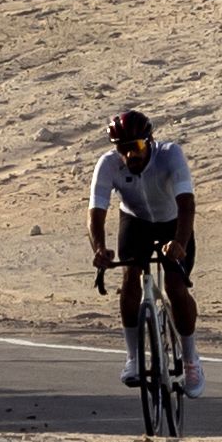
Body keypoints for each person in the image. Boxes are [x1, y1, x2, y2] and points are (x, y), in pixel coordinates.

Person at [85, 104, 196, 390]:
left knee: (175, 286)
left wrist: (180, 243)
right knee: (130, 278)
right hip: (137, 222)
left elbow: (186, 205)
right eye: (122, 148)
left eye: (135, 146)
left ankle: (191, 359)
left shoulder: (170, 155)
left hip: (174, 222)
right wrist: (99, 248)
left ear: (149, 142)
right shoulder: (108, 164)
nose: (129, 155)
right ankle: (134, 359)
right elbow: (96, 212)